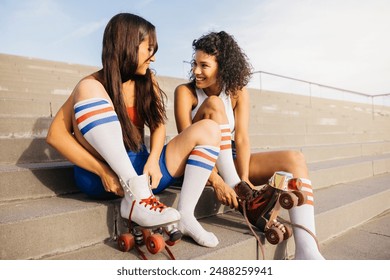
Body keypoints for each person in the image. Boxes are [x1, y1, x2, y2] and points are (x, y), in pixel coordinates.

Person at [46, 13, 225, 247]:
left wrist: (152, 160)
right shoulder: (93, 84)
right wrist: (102, 171)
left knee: (210, 129)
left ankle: (186, 217)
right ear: (127, 45)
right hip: (105, 178)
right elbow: (55, 135)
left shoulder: (147, 80)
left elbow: (159, 125)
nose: (153, 57)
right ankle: (136, 198)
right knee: (87, 88)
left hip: (144, 171)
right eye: (149, 48)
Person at [174, 31, 325, 259]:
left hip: (231, 158)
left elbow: (242, 138)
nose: (196, 71)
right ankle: (238, 186)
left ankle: (307, 252)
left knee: (295, 159)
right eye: (195, 64)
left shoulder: (237, 92)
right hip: (203, 162)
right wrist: (217, 181)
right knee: (214, 104)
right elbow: (185, 143)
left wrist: (244, 178)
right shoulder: (185, 92)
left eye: (204, 65)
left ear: (222, 66)